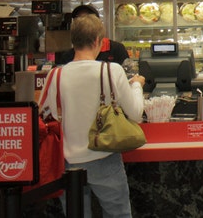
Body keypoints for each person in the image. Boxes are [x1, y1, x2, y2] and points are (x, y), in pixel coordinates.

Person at [40, 14, 145, 218]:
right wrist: (136, 86)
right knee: (118, 215)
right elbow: (135, 113)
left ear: (73, 41)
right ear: (98, 40)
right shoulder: (111, 70)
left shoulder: (55, 75)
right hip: (104, 158)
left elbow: (45, 115)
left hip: (67, 162)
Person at [55, 4, 130, 65]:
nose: (84, 23)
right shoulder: (68, 56)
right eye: (79, 19)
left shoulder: (116, 49)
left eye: (89, 18)